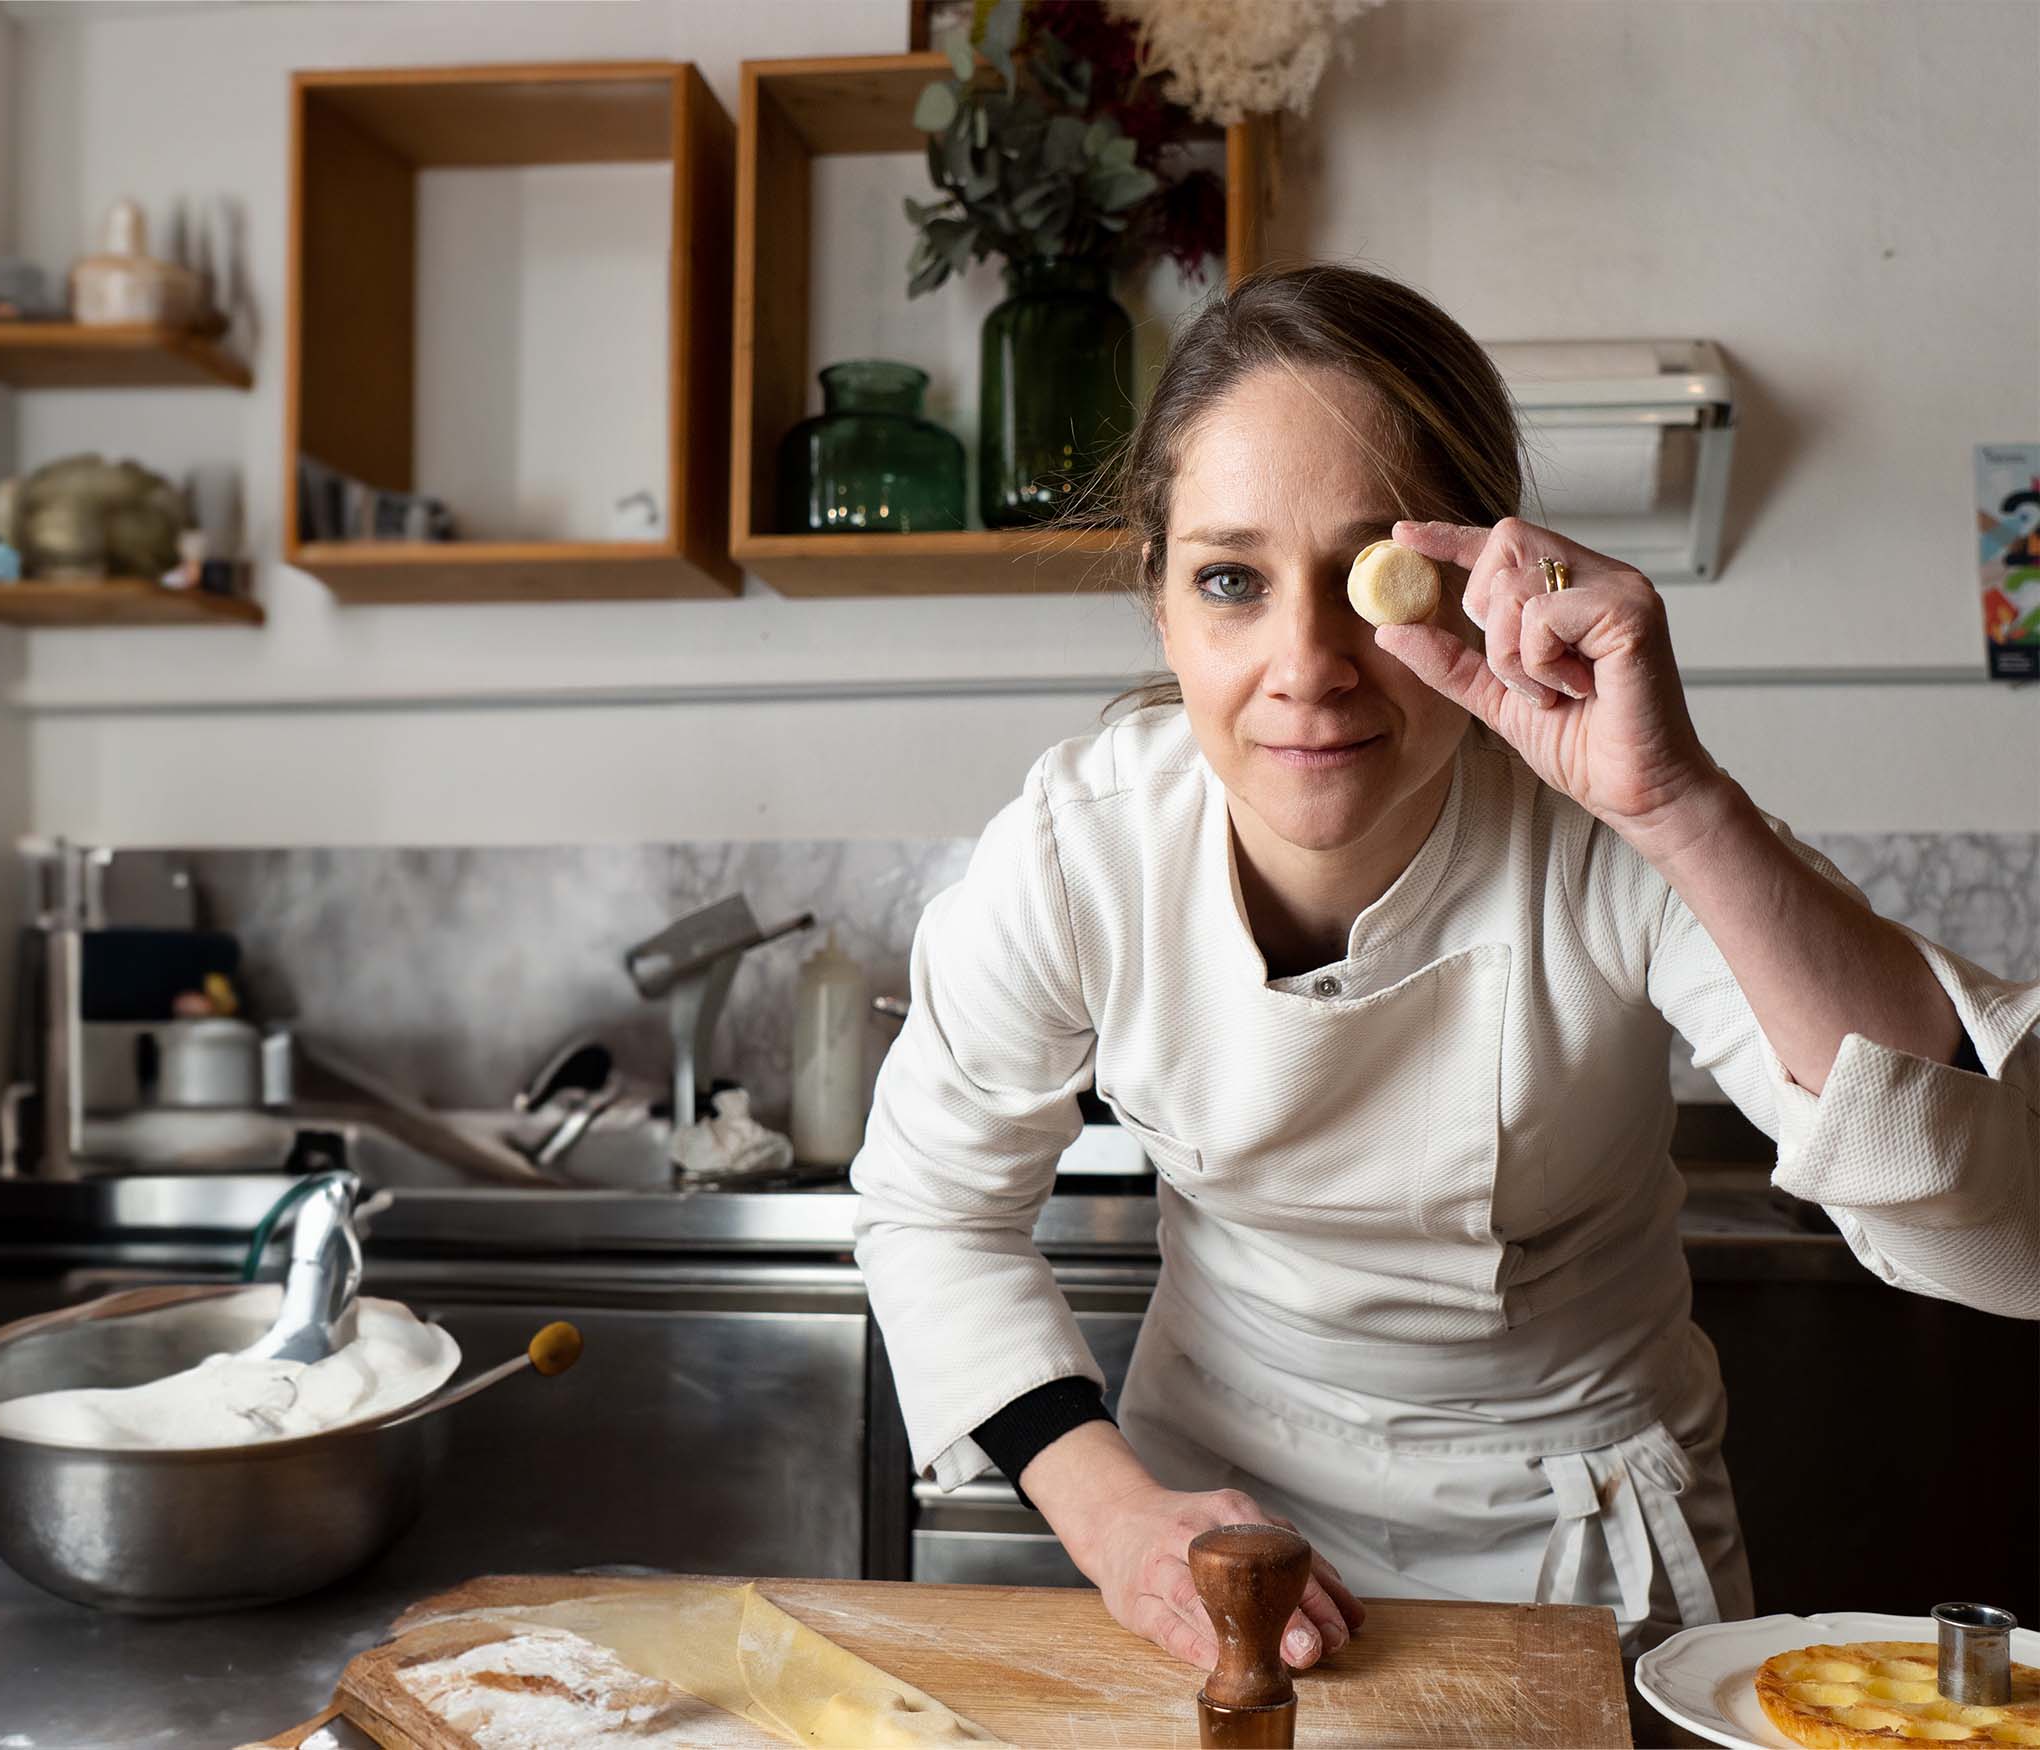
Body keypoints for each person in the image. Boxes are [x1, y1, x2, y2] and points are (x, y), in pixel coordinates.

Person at [850, 265, 2040, 1674]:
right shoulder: (1081, 850)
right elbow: (931, 1211)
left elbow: (1996, 1226)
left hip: (1579, 1553)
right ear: (1159, 605)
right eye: (1231, 579)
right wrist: (1120, 1524)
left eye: (1372, 581)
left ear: (1486, 589)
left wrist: (1681, 809)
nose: (1307, 665)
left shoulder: (1612, 830)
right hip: (1211, 1543)